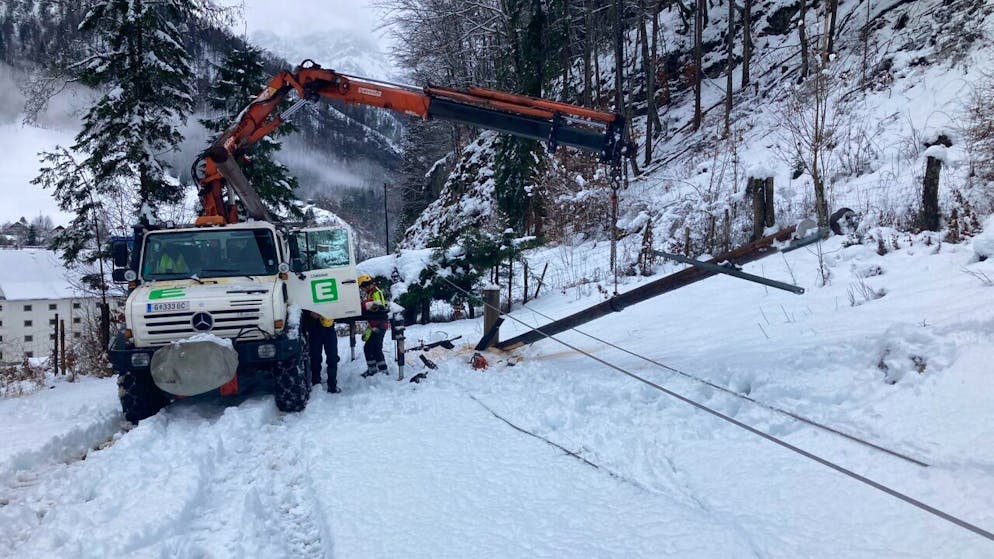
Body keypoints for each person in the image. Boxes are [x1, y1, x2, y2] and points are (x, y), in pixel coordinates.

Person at [358, 273, 389, 377]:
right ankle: (373, 369)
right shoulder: (371, 293)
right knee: (369, 348)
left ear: (366, 285)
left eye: (362, 287)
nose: (362, 290)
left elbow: (376, 305)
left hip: (379, 324)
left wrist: (363, 304)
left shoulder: (376, 292)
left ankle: (383, 371)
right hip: (374, 324)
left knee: (376, 348)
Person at [303, 311, 340, 393]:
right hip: (314, 329)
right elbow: (301, 307)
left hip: (329, 328)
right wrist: (310, 313)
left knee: (332, 357)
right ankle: (316, 382)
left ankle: (332, 384)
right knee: (315, 357)